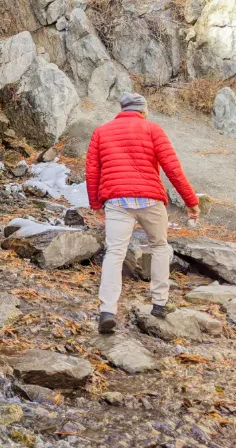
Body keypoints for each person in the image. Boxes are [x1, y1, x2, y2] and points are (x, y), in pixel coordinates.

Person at [85, 92, 200, 334]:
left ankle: (108, 310)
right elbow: (172, 168)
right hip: (150, 201)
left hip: (117, 201)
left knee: (115, 253)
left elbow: (92, 171)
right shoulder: (153, 129)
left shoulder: (101, 131)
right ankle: (159, 303)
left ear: (122, 109)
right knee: (159, 246)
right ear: (143, 110)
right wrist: (190, 201)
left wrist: (96, 204)